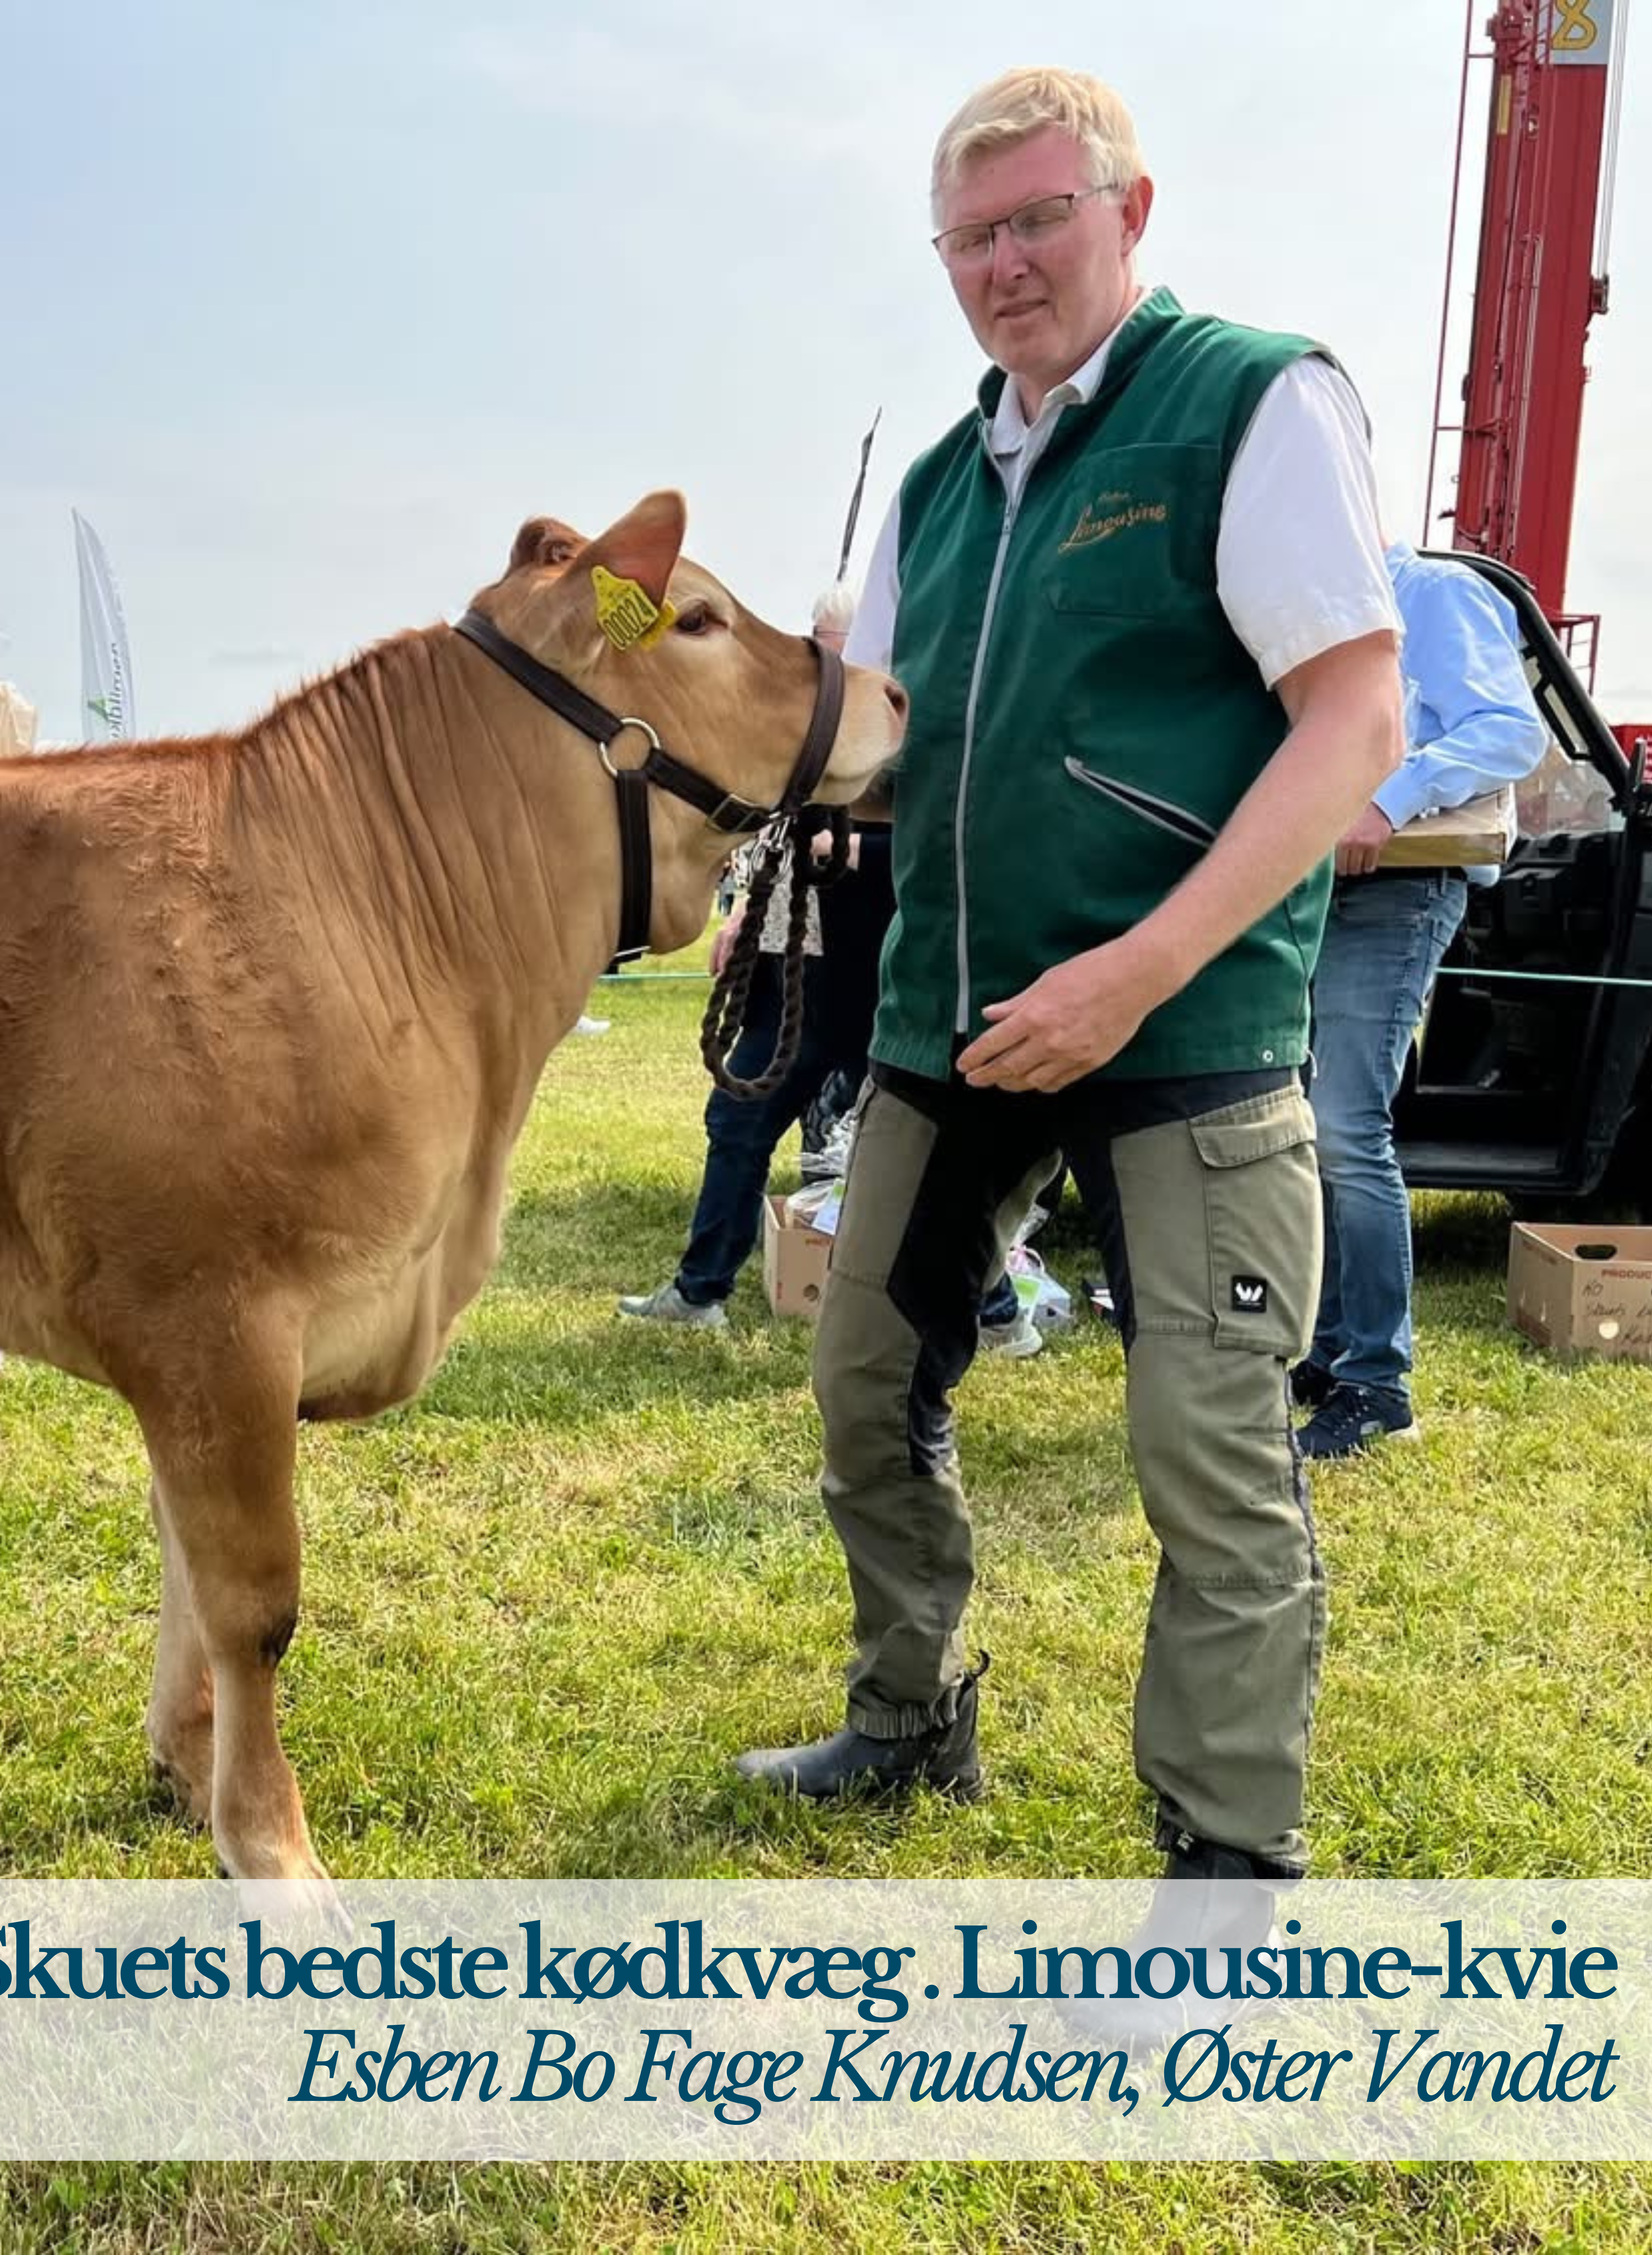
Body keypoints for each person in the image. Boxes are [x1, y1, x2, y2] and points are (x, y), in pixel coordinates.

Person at [734, 68, 1405, 1899]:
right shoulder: (947, 484)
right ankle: (904, 1721)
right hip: (948, 1025)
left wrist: (1141, 966)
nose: (1005, 265)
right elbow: (870, 742)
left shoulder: (1246, 400)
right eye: (970, 238)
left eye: (1040, 219)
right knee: (864, 1389)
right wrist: (688, 681)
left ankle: (1225, 1865)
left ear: (1130, 210)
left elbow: (1354, 717)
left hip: (1180, 1033)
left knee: (1208, 1451)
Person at [616, 590, 1045, 1357]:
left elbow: (951, 845)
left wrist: (852, 855)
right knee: (737, 1120)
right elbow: (782, 834)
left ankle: (999, 1312)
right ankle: (699, 1290)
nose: (828, 667)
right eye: (818, 647)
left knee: (930, 1159)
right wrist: (751, 914)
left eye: (839, 648)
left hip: (890, 983)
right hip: (800, 983)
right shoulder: (809, 731)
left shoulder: (926, 725)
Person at [1293, 544, 1548, 1459]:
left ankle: (1376, 1383)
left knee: (1343, 1128)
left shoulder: (1433, 594)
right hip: (1315, 886)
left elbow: (1505, 734)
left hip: (1400, 886)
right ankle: (1326, 1352)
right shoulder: (1309, 609)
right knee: (1308, 1131)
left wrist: (1388, 800)